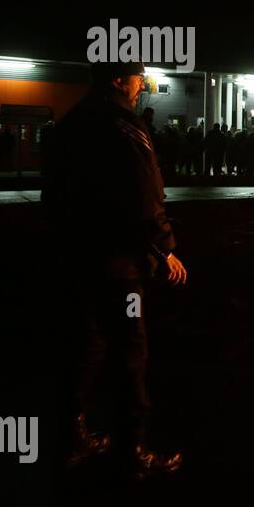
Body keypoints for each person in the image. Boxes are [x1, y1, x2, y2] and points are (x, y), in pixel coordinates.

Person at [41, 59, 186, 478]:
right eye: (139, 77)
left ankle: (72, 440)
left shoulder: (70, 124)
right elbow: (145, 194)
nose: (143, 85)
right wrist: (165, 249)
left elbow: (53, 194)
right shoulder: (125, 127)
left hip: (74, 258)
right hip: (117, 265)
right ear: (120, 80)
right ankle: (132, 450)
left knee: (84, 348)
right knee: (130, 352)